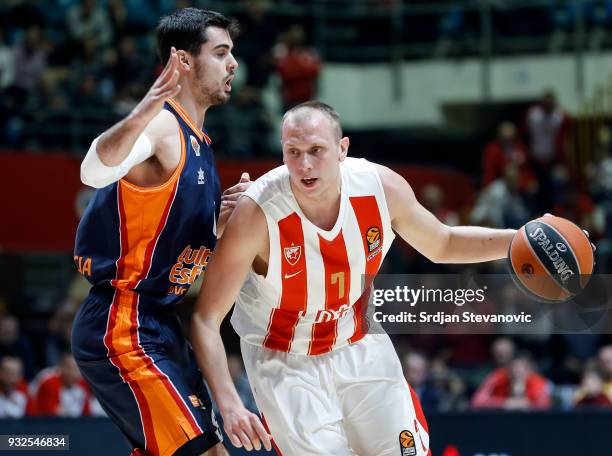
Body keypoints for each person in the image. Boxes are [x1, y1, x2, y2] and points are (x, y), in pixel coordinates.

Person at [191, 101, 521, 455]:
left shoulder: (380, 188)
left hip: (359, 343)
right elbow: (205, 318)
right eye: (293, 152)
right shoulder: (257, 212)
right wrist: (229, 404)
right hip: (285, 361)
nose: (304, 164)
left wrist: (519, 241)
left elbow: (442, 243)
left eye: (316, 150)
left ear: (342, 149)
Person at [72, 8, 251, 456]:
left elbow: (171, 247)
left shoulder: (200, 144)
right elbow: (93, 171)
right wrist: (145, 107)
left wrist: (220, 220)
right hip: (124, 322)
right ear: (184, 61)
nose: (233, 65)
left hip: (160, 322)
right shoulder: (161, 124)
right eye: (222, 53)